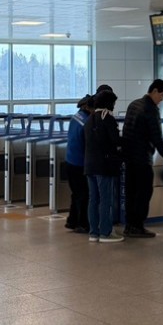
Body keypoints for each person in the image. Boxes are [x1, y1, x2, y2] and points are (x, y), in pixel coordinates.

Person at [121, 78, 163, 238]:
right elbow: (157, 139)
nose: (162, 99)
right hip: (142, 158)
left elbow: (126, 131)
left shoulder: (133, 105)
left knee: (131, 192)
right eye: (162, 95)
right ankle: (138, 226)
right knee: (144, 193)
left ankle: (129, 226)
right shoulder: (150, 110)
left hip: (129, 157)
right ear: (155, 91)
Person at [84, 89, 124, 243]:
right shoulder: (107, 118)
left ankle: (93, 232)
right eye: (113, 103)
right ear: (109, 103)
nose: (114, 106)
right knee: (105, 199)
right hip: (104, 166)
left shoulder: (89, 119)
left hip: (89, 165)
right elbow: (115, 140)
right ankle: (106, 233)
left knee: (93, 199)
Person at [64, 94, 91, 233]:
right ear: (87, 107)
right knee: (84, 194)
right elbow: (88, 144)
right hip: (79, 163)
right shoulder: (86, 122)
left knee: (76, 193)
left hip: (70, 161)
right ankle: (83, 223)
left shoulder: (76, 117)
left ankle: (72, 221)